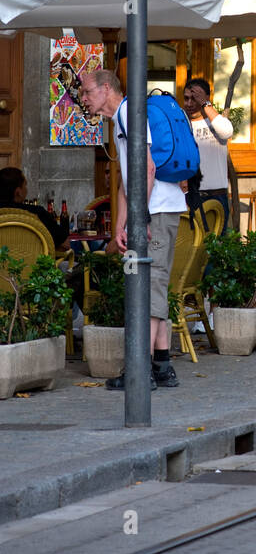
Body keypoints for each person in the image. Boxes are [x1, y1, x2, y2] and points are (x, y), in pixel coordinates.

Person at [79, 70, 184, 391]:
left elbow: (148, 168)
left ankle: (140, 371)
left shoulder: (129, 114)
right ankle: (162, 367)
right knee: (153, 286)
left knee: (149, 287)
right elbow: (127, 182)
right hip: (156, 208)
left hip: (158, 209)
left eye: (86, 92)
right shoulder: (121, 121)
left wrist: (141, 218)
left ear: (106, 88)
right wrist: (120, 227)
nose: (83, 99)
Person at [182, 78, 234, 230]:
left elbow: (227, 131)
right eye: (186, 98)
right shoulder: (181, 125)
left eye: (195, 98)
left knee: (217, 248)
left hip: (216, 197)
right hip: (190, 197)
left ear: (206, 99)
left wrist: (205, 104)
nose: (190, 103)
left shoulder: (216, 123)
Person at [0, 167, 70, 251]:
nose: (26, 189)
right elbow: (65, 245)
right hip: (34, 263)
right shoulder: (37, 213)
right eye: (25, 185)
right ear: (18, 192)